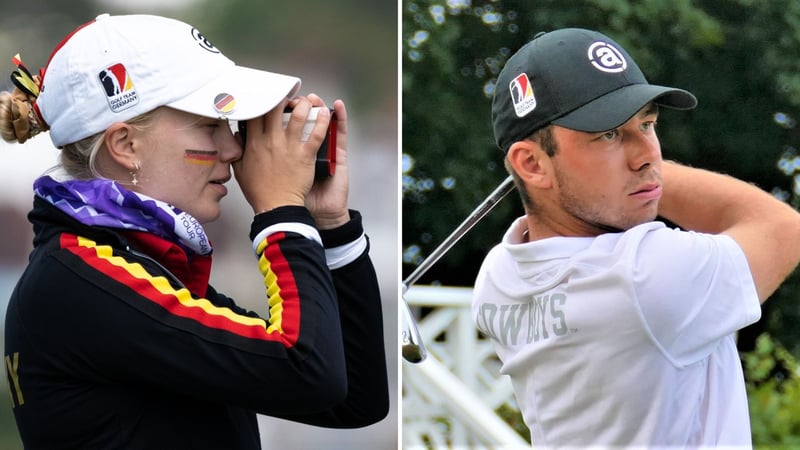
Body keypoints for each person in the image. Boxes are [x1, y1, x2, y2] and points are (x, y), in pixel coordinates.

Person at [0, 13, 389, 449]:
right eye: (210, 125)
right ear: (126, 145)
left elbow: (354, 397)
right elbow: (307, 368)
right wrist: (280, 212)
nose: (234, 147)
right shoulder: (83, 281)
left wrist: (331, 228)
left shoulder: (127, 267)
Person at [471, 28, 800, 448]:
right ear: (531, 163)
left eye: (648, 124)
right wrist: (655, 177)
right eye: (608, 134)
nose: (648, 154)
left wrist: (563, 174)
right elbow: (782, 228)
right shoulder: (644, 274)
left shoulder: (498, 278)